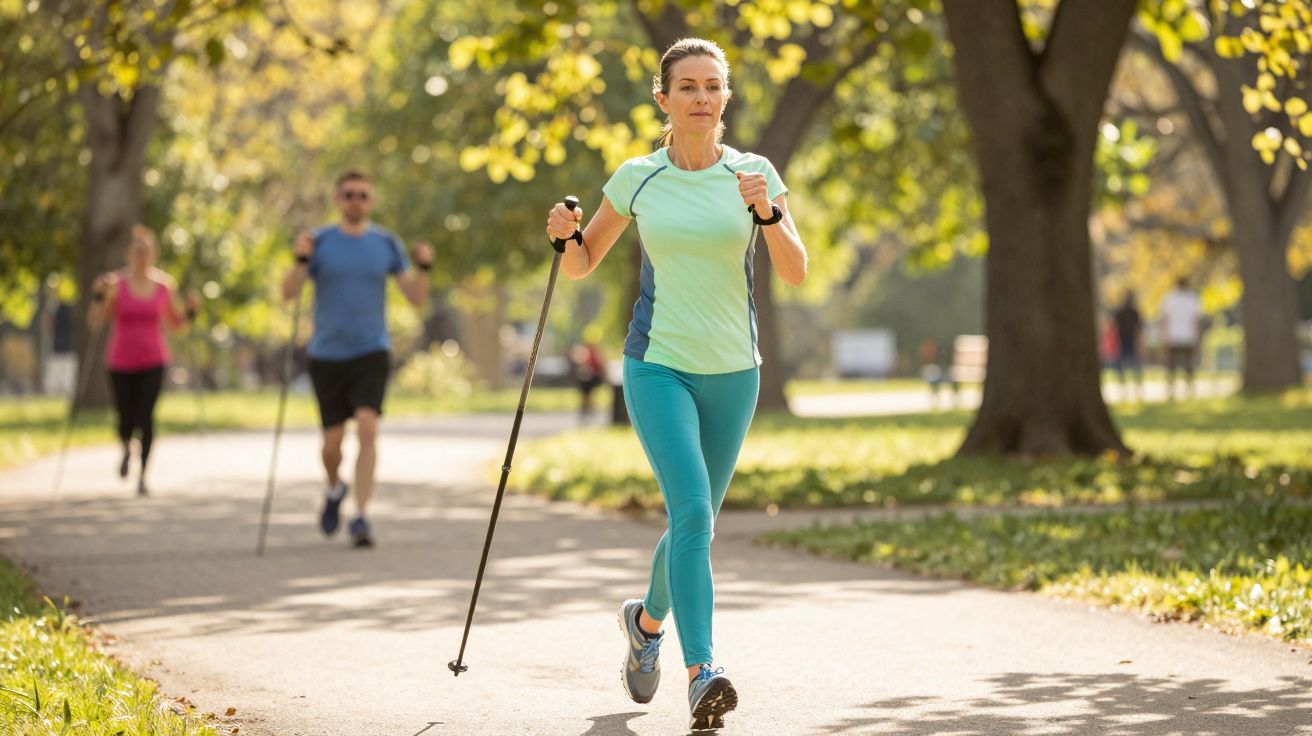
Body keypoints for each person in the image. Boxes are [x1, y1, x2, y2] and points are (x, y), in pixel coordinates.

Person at [545, 37, 807, 731]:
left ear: (726, 97)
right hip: (657, 365)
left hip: (735, 372)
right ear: (663, 99)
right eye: (686, 86)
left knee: (696, 521)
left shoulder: (754, 173)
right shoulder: (638, 176)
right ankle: (703, 673)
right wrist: (566, 237)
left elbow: (796, 271)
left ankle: (646, 622)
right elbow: (581, 264)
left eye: (711, 86)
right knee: (692, 514)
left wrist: (769, 215)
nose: (700, 98)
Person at [281, 170, 432, 548]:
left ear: (371, 200)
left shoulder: (385, 243)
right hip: (327, 355)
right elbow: (287, 292)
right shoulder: (319, 242)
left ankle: (361, 515)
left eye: (363, 195)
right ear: (337, 198)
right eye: (349, 194)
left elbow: (414, 297)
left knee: (368, 429)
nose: (356, 201)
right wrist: (301, 261)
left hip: (371, 350)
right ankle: (335, 489)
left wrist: (425, 267)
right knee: (332, 445)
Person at [89, 224, 199, 496]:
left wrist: (191, 311)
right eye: (137, 251)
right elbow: (96, 320)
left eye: (146, 252)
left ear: (153, 255)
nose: (142, 256)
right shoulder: (115, 284)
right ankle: (127, 445)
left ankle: (143, 475)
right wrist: (98, 296)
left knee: (147, 416)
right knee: (125, 417)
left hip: (154, 359)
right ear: (129, 254)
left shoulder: (164, 285)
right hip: (120, 360)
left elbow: (176, 324)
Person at [1160, 278, 1203, 399]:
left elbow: (1165, 320)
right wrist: (1197, 337)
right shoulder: (1192, 299)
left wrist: (1164, 336)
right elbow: (1196, 321)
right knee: (1189, 365)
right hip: (1188, 336)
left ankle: (1171, 392)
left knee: (1171, 366)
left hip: (1173, 337)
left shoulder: (1169, 299)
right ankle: (1189, 390)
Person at [1113, 291, 1144, 401]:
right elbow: (1138, 330)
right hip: (1126, 342)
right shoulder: (1132, 312)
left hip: (1124, 342)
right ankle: (1133, 389)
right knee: (1133, 367)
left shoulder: (1122, 312)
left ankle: (1130, 389)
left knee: (1125, 367)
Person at [570, 341, 606, 424]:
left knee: (587, 394)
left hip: (591, 378)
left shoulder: (590, 353)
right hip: (587, 378)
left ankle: (588, 410)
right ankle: (587, 410)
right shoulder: (590, 353)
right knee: (586, 394)